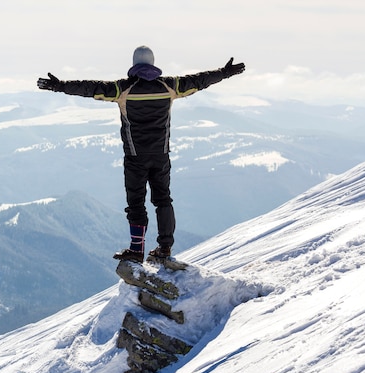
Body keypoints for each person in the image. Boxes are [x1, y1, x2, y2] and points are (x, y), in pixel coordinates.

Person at [37, 46, 245, 263]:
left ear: (134, 64)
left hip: (135, 156)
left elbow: (91, 88)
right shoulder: (170, 86)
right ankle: (165, 248)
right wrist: (224, 72)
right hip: (161, 154)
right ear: (153, 64)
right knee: (163, 199)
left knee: (136, 204)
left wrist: (60, 86)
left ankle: (137, 250)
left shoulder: (123, 89)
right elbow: (199, 81)